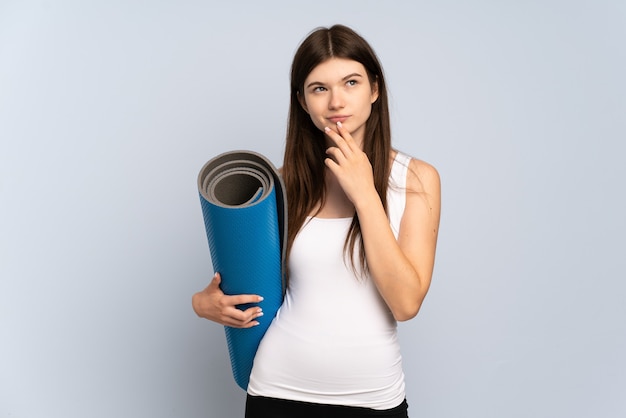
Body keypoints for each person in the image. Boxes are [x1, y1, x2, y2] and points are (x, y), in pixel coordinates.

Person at [192, 24, 441, 418]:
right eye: (319, 88)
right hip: (275, 392)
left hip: (372, 400)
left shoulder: (415, 179)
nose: (336, 100)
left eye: (351, 82)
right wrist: (204, 304)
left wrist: (364, 194)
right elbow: (245, 281)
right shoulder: (280, 183)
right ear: (303, 102)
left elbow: (406, 303)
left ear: (375, 89)